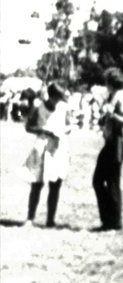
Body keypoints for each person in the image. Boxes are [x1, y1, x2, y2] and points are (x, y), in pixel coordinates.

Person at [21, 83, 71, 227]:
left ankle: (50, 220)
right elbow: (28, 127)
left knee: (55, 184)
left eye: (60, 98)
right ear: (50, 96)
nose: (58, 101)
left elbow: (68, 126)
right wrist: (44, 130)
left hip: (58, 147)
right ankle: (30, 218)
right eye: (56, 98)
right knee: (36, 183)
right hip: (42, 146)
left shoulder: (63, 108)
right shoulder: (39, 108)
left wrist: (63, 130)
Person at [92, 68, 123, 231]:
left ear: (110, 82)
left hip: (117, 142)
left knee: (112, 183)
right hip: (109, 142)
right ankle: (107, 220)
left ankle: (114, 223)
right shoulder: (111, 96)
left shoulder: (120, 97)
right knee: (98, 181)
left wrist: (113, 115)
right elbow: (106, 118)